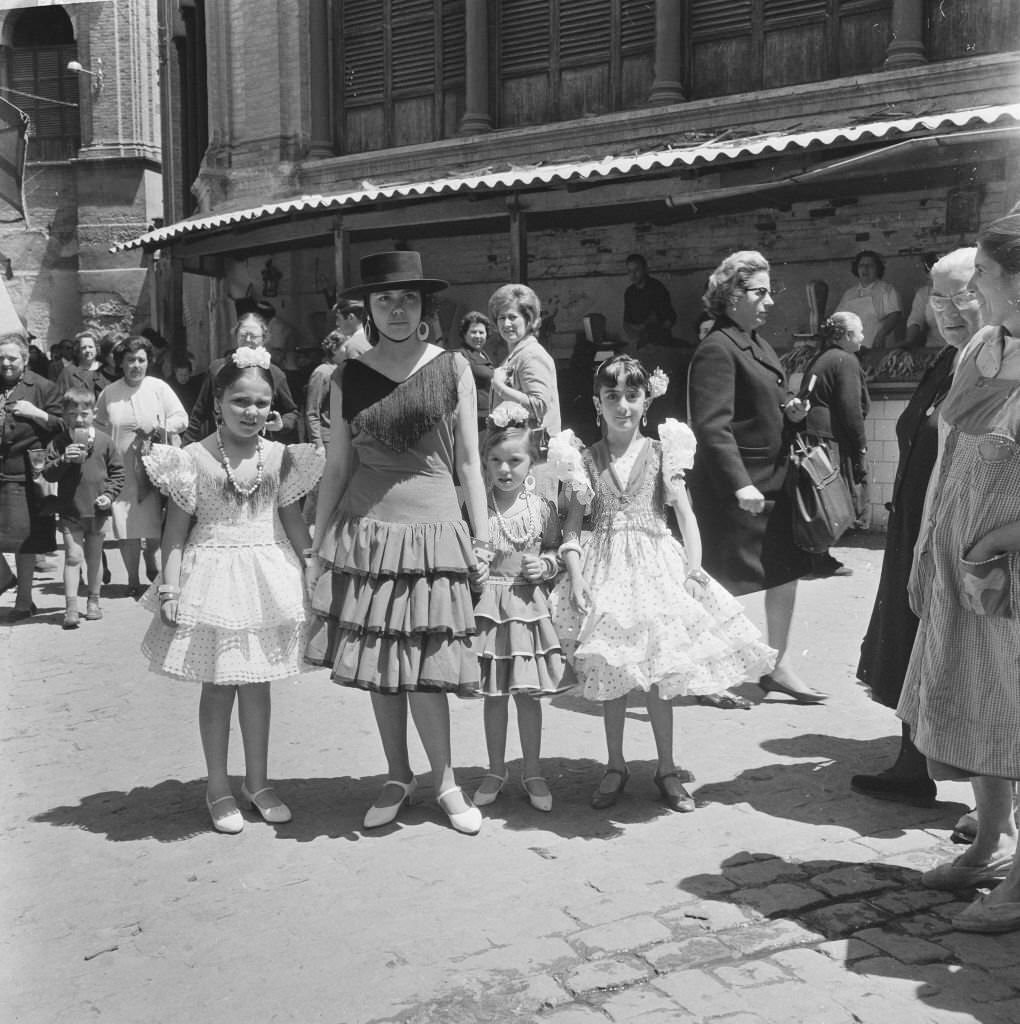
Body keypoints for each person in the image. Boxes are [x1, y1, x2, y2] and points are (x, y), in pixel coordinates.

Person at [305, 251, 490, 836]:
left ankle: (446, 781)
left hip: (435, 533)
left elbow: (468, 462)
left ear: (423, 306)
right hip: (368, 533)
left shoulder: (454, 366)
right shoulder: (346, 377)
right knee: (380, 662)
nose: (398, 310)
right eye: (385, 300)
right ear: (368, 311)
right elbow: (337, 465)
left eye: (408, 299)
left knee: (428, 662)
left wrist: (482, 539)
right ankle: (396, 775)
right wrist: (318, 544)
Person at [550, 356, 775, 811]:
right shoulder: (583, 459)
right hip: (606, 570)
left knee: (657, 675)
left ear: (646, 401)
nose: (622, 406)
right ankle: (615, 764)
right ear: (598, 403)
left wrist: (693, 570)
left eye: (632, 396)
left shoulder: (661, 452)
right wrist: (574, 577)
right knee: (612, 672)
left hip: (656, 568)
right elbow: (571, 530)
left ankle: (666, 768)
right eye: (611, 397)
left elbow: (686, 517)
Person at [140, 347, 323, 834]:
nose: (251, 412)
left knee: (258, 685)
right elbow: (175, 532)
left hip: (265, 575)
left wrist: (312, 564)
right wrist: (170, 589)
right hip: (213, 575)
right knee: (219, 686)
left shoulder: (280, 456)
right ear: (219, 400)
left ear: (273, 407)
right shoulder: (192, 458)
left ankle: (257, 782)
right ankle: (218, 785)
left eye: (262, 403)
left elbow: (290, 518)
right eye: (241, 401)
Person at [898, 213, 1020, 933]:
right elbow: (949, 452)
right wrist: (926, 544)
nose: (971, 286)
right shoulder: (983, 345)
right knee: (979, 698)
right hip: (962, 556)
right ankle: (987, 844)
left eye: (983, 273)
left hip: (1007, 563)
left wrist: (996, 541)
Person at [852, 247, 980, 807]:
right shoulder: (948, 360)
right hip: (916, 528)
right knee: (908, 639)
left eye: (962, 295)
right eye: (937, 297)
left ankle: (983, 797)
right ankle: (914, 762)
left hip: (959, 533)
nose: (946, 310)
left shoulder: (992, 366)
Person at [687, 251, 824, 704]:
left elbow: (762, 405)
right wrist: (739, 483)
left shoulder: (757, 343)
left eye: (770, 292)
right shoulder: (717, 348)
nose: (769, 302)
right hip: (737, 490)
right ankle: (706, 671)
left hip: (773, 482)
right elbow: (711, 425)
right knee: (723, 581)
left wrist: (792, 410)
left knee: (785, 571)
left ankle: (777, 665)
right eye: (759, 292)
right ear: (731, 296)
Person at [471, 401, 567, 814]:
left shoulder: (542, 509)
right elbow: (463, 551)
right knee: (494, 695)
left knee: (528, 696)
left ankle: (532, 769)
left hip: (528, 609)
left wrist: (544, 565)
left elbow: (557, 553)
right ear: (485, 462)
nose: (505, 469)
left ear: (531, 463)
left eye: (515, 460)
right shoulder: (476, 508)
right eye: (496, 460)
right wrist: (470, 569)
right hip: (490, 611)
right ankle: (495, 769)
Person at [95, 335, 188, 595]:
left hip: (155, 469)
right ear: (121, 364)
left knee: (155, 527)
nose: (136, 365)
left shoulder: (159, 388)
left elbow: (182, 418)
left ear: (148, 362)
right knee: (127, 527)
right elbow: (97, 426)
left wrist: (161, 427)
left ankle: (151, 558)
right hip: (121, 469)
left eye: (141, 360)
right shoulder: (109, 394)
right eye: (130, 360)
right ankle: (134, 581)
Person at [42, 387, 124, 627]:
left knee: (94, 557)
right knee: (73, 557)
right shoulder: (59, 442)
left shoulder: (104, 441)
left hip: (97, 511)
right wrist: (64, 459)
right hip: (71, 509)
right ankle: (71, 608)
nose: (78, 418)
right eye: (72, 414)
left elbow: (118, 473)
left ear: (94, 413)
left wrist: (109, 495)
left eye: (84, 413)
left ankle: (93, 601)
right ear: (65, 415)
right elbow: (48, 474)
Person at [800, 311, 871, 577]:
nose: (863, 337)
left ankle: (817, 556)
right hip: (828, 439)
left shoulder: (824, 358)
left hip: (813, 436)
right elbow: (851, 409)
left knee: (818, 498)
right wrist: (861, 445)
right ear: (847, 335)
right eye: (860, 331)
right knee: (829, 500)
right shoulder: (846, 360)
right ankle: (820, 559)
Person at [0, 331, 61, 618]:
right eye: (1, 358)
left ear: (24, 360)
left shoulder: (43, 388)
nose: (6, 363)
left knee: (24, 540)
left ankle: (24, 600)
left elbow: (65, 425)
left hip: (22, 474)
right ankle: (3, 578)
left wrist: (36, 413)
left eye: (12, 358)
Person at [183, 312, 299, 444]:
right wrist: (187, 445)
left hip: (260, 446)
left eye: (253, 336)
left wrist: (282, 424)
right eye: (243, 335)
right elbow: (200, 412)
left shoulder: (275, 374)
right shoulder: (217, 368)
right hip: (220, 445)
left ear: (264, 338)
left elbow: (292, 412)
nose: (248, 340)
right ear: (236, 335)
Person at [489, 284, 561, 440]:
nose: (506, 324)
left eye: (512, 317)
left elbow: (539, 406)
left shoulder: (531, 354)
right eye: (502, 318)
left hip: (533, 452)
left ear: (529, 320)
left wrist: (500, 387)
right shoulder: (517, 354)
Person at [305, 299, 371, 453]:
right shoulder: (372, 339)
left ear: (351, 318)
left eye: (339, 318)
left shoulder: (354, 345)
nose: (337, 324)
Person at [835, 250, 902, 349]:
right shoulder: (849, 294)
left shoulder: (887, 290)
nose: (865, 269)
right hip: (852, 349)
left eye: (870, 266)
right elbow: (838, 319)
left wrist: (881, 335)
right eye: (861, 265)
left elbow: (895, 315)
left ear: (878, 269)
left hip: (876, 347)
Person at [455, 311, 497, 434]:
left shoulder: (484, 355)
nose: (478, 336)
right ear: (464, 334)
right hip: (473, 419)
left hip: (488, 418)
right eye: (473, 332)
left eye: (481, 332)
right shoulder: (460, 355)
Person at [622, 254, 677, 348]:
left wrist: (658, 334)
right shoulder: (629, 292)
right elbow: (626, 322)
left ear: (645, 269)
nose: (633, 275)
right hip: (639, 341)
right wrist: (635, 335)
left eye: (636, 270)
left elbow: (671, 318)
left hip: (659, 343)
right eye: (630, 271)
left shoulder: (657, 288)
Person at [56, 330, 105, 399]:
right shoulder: (68, 373)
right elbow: (58, 397)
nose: (87, 350)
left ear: (96, 349)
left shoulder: (105, 370)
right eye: (83, 348)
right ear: (78, 351)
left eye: (90, 347)